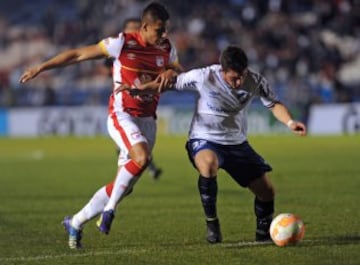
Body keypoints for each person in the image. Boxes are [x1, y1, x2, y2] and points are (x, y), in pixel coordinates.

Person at [20, 2, 182, 249]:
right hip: (122, 114)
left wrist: (173, 74)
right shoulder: (121, 43)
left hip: (148, 120)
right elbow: (77, 54)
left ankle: (75, 222)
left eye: (165, 30)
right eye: (159, 30)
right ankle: (109, 212)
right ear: (145, 26)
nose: (163, 35)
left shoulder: (167, 47)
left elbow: (178, 71)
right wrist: (42, 67)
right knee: (142, 157)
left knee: (124, 185)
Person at [126, 45, 307, 243]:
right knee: (208, 164)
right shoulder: (204, 76)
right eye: (233, 78)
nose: (238, 82)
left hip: (237, 143)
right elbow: (169, 83)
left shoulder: (255, 81)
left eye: (241, 76)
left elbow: (274, 104)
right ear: (222, 71)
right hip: (204, 138)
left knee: (267, 192)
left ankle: (263, 234)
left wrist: (290, 122)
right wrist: (140, 89)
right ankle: (212, 224)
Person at [106, 17, 163, 180]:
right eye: (130, 29)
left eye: (136, 29)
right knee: (137, 153)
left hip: (146, 114)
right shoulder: (119, 48)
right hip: (123, 110)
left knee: (138, 156)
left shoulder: (153, 52)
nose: (133, 32)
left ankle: (116, 192)